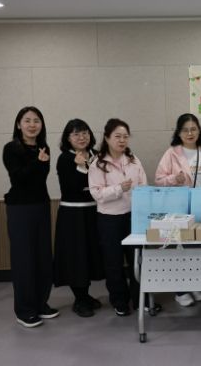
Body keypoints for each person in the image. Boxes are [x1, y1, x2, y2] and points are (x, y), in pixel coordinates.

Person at [2, 106, 59, 328]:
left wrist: (40, 161)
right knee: (24, 258)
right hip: (19, 208)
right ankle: (24, 310)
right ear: (19, 124)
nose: (32, 125)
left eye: (36, 120)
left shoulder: (43, 147)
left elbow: (39, 180)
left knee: (43, 256)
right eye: (27, 120)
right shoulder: (11, 148)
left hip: (41, 205)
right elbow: (19, 179)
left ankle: (40, 304)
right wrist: (37, 162)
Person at [89, 118, 147, 317]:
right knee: (113, 262)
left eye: (125, 137)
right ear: (107, 138)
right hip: (109, 219)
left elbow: (143, 185)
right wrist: (118, 189)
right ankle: (119, 300)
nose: (122, 140)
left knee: (137, 260)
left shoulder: (133, 160)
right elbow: (96, 193)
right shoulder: (97, 163)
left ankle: (140, 300)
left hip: (133, 216)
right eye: (117, 136)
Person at [155, 113, 201, 307]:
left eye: (193, 129)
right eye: (185, 130)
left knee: (198, 248)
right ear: (178, 133)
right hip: (179, 208)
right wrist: (173, 179)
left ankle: (195, 284)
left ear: (199, 131)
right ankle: (180, 290)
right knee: (179, 249)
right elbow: (158, 179)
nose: (190, 133)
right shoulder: (172, 153)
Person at [53, 119, 104, 318]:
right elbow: (70, 188)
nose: (81, 137)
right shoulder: (65, 158)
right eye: (76, 134)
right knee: (76, 256)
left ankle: (85, 295)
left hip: (94, 211)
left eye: (85, 133)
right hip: (72, 215)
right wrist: (82, 168)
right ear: (68, 138)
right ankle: (80, 299)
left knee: (90, 254)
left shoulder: (96, 155)